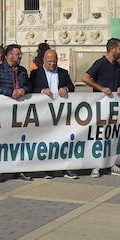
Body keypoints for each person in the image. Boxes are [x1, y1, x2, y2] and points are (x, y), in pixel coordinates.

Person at [82, 39, 120, 178]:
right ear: (112, 49)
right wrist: (101, 88)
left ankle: (112, 163)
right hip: (101, 106)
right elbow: (85, 77)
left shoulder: (118, 66)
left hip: (113, 107)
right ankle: (95, 166)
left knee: (112, 135)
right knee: (98, 135)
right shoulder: (100, 63)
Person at [30, 49, 78, 179]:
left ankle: (65, 169)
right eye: (49, 62)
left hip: (60, 114)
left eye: (54, 61)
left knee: (62, 140)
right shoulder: (35, 73)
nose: (52, 64)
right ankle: (48, 170)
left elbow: (72, 86)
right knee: (46, 140)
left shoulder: (63, 72)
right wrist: (41, 90)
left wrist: (66, 89)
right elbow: (31, 88)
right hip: (44, 113)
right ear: (44, 61)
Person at [0, 44, 32, 182]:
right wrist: (9, 92)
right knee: (2, 140)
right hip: (3, 112)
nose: (20, 56)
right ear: (9, 55)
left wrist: (23, 90)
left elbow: (29, 85)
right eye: (17, 53)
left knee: (20, 140)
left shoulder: (23, 70)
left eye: (20, 54)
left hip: (20, 111)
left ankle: (19, 170)